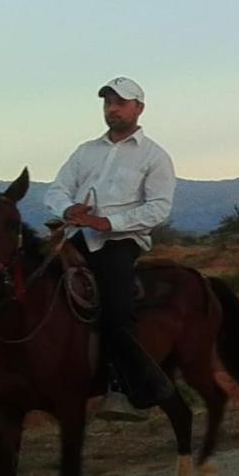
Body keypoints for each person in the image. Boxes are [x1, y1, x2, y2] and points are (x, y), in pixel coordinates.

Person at [41, 76, 178, 420]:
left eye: (120, 103)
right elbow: (56, 189)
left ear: (139, 108)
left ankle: (126, 386)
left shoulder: (155, 156)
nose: (112, 109)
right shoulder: (85, 151)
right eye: (107, 103)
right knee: (23, 281)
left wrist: (109, 223)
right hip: (76, 235)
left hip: (120, 242)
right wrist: (68, 209)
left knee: (116, 308)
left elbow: (160, 208)